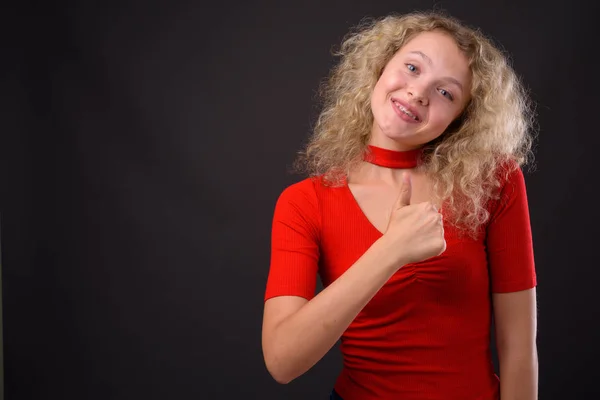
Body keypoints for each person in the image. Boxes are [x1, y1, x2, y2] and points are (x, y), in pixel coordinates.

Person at [261, 10, 538, 400]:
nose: (419, 92)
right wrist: (390, 251)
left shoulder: (494, 181)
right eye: (412, 67)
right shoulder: (305, 202)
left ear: (460, 119)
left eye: (447, 92)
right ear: (379, 66)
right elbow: (282, 361)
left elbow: (519, 350)